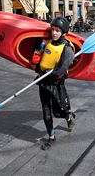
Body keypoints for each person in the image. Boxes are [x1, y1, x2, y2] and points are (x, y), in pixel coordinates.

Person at [30, 17, 76, 150]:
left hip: (56, 84)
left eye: (57, 31)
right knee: (46, 111)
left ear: (63, 32)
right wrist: (39, 68)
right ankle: (51, 137)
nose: (54, 33)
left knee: (60, 109)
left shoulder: (67, 49)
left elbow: (61, 70)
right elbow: (35, 59)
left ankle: (69, 116)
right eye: (53, 30)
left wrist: (53, 72)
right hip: (43, 81)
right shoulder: (47, 42)